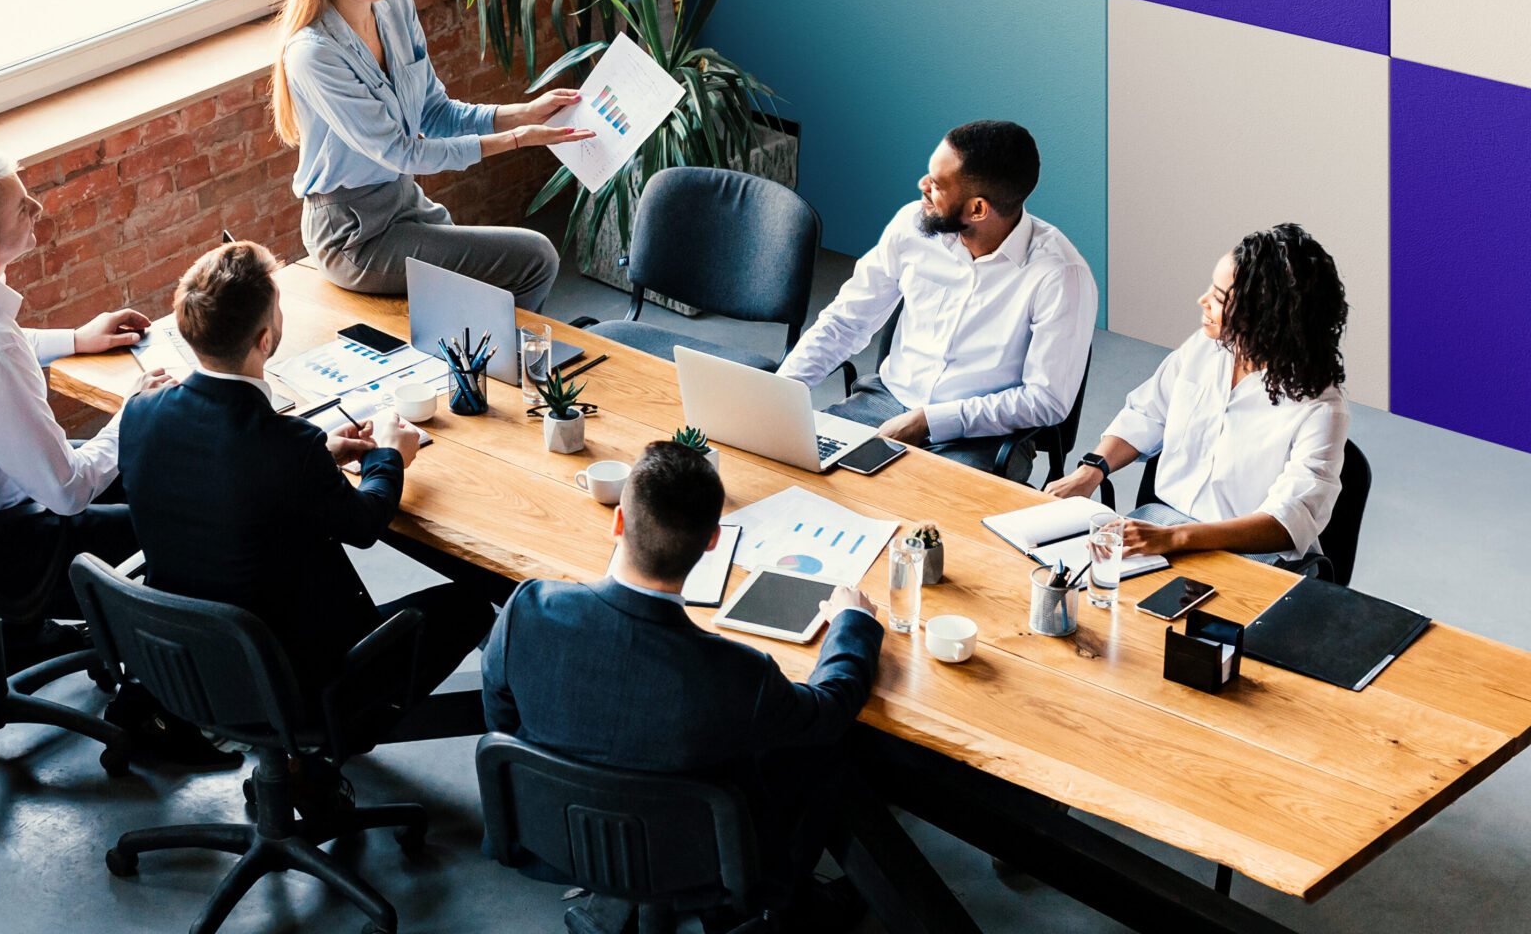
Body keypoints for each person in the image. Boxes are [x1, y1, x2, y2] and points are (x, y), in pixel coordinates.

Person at [117, 243, 502, 812]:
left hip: (186, 664)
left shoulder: (141, 413)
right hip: (293, 681)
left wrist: (318, 456)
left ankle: (297, 767)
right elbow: (365, 523)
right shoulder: (287, 447)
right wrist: (389, 456)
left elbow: (226, 471)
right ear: (265, 340)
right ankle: (316, 751)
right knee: (470, 602)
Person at [0, 148, 223, 763]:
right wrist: (132, 411)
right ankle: (154, 710)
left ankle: (25, 635)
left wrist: (76, 339)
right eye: (21, 205)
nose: (36, 206)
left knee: (147, 463)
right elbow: (67, 492)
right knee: (187, 520)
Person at [480, 442, 880, 932]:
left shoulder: (528, 608)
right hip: (698, 862)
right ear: (713, 541)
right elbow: (830, 708)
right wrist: (853, 622)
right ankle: (801, 904)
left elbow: (501, 720)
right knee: (825, 751)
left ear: (619, 522)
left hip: (552, 831)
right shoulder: (739, 674)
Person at [273, 0, 594, 310]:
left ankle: (491, 350)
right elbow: (400, 151)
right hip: (353, 233)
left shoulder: (395, 1)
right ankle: (507, 351)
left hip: (405, 201)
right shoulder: (314, 54)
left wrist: (523, 113)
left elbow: (434, 111)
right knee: (535, 257)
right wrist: (516, 140)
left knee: (492, 281)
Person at [775, 120, 1097, 472]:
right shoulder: (911, 227)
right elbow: (844, 323)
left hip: (985, 438)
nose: (922, 186)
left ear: (977, 209)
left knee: (917, 503)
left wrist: (929, 421)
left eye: (937, 185)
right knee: (793, 465)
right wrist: (780, 391)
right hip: (885, 402)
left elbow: (1045, 400)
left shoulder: (1060, 275)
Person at [1044, 224, 1349, 569]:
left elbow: (1287, 521)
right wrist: (1090, 472)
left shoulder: (1322, 409)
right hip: (1162, 524)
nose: (1203, 301)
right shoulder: (1205, 347)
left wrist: (1176, 538)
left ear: (1266, 316)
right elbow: (1147, 414)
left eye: (1219, 298)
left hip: (1249, 555)